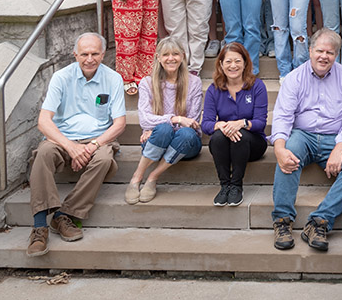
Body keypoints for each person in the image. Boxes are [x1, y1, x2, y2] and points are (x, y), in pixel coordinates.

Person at [25, 32, 126, 257]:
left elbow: (119, 124)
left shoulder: (113, 78)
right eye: (84, 54)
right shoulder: (61, 77)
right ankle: (39, 225)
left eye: (95, 53)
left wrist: (92, 145)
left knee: (104, 159)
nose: (89, 59)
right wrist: (70, 146)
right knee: (43, 154)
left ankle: (64, 215)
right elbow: (43, 121)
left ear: (103, 54)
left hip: (98, 139)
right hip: (63, 138)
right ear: (75, 55)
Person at [270, 28, 342, 251]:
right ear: (310, 51)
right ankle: (282, 220)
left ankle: (319, 221)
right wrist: (279, 148)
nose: (324, 56)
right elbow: (282, 116)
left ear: (336, 55)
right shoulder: (294, 78)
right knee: (289, 150)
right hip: (304, 136)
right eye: (319, 50)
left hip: (336, 138)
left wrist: (340, 149)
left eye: (330, 53)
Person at [125, 38, 204, 204]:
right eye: (166, 54)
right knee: (164, 130)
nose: (171, 58)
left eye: (175, 54)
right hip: (158, 139)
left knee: (183, 133)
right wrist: (176, 119)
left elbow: (193, 123)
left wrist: (153, 127)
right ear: (158, 58)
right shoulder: (147, 83)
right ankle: (136, 177)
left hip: (187, 143)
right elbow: (144, 118)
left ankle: (153, 177)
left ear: (182, 56)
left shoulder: (194, 83)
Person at [201, 43, 268, 206]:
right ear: (221, 64)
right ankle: (225, 186)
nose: (233, 66)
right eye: (228, 61)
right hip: (224, 143)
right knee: (217, 137)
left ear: (245, 63)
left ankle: (236, 186)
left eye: (238, 61)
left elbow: (260, 123)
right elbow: (206, 124)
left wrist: (242, 123)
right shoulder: (214, 89)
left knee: (241, 136)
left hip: (253, 143)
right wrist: (222, 126)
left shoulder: (257, 86)